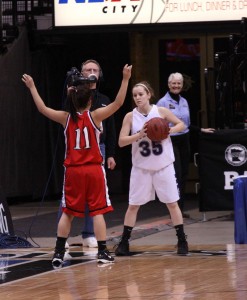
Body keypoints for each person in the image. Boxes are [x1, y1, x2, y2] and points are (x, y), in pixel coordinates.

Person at [22, 64, 132, 267]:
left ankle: (58, 252)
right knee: (97, 211)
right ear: (90, 101)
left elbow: (42, 108)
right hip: (93, 170)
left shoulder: (65, 118)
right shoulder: (96, 116)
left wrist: (32, 87)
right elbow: (118, 103)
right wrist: (125, 79)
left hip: (73, 171)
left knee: (68, 213)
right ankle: (102, 252)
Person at [114, 81, 189, 256]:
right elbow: (121, 141)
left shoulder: (161, 112)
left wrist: (167, 131)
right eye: (135, 95)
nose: (137, 98)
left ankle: (182, 241)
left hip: (163, 165)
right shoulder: (130, 116)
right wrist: (139, 135)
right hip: (141, 167)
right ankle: (124, 242)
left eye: (141, 94)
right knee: (133, 206)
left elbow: (181, 125)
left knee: (172, 203)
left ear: (149, 94)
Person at [59, 59, 117, 249]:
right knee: (69, 197)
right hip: (76, 152)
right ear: (81, 73)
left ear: (100, 74)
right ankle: (62, 238)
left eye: (95, 69)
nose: (91, 72)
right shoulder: (73, 95)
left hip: (97, 150)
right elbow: (66, 119)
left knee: (94, 198)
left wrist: (110, 153)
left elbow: (111, 128)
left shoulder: (104, 99)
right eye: (87, 69)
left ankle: (89, 233)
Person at [156, 72, 215, 217]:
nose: (176, 86)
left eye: (179, 83)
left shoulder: (184, 102)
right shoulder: (162, 102)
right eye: (173, 83)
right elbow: (157, 125)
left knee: (184, 175)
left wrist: (201, 129)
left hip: (184, 140)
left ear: (182, 86)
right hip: (170, 141)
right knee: (175, 174)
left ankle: (180, 210)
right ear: (169, 84)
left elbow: (186, 125)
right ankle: (174, 211)